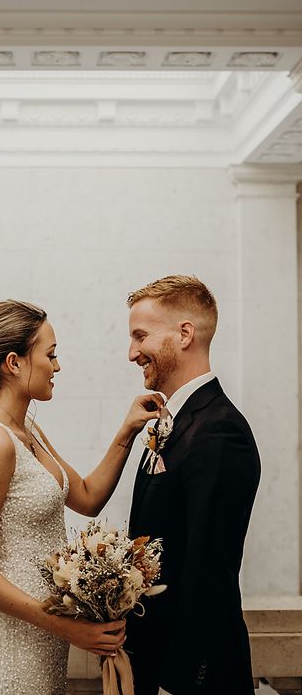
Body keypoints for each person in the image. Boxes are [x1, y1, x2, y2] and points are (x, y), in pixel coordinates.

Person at [0, 299, 162, 695]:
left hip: (41, 639)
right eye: (50, 354)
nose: (57, 366)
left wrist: (128, 430)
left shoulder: (24, 427)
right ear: (13, 363)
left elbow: (86, 496)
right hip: (3, 645)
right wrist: (63, 624)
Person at [125, 275, 260, 695]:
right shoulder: (174, 422)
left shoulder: (220, 431)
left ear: (185, 334)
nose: (132, 353)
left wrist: (178, 681)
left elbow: (210, 571)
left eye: (140, 336)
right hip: (153, 662)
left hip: (193, 677)